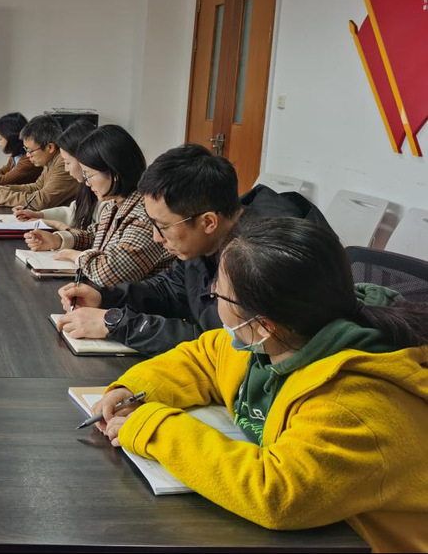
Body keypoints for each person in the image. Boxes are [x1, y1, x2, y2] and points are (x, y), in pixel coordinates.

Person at [93, 218, 428, 552]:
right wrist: (134, 389)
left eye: (219, 292)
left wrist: (154, 429)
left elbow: (277, 493)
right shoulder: (278, 336)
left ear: (264, 325)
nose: (212, 294)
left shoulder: (355, 403)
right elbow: (205, 357)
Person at [56, 143, 330, 355]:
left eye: (163, 226)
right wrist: (106, 297)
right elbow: (172, 289)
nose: (156, 237)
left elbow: (226, 345)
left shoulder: (261, 261)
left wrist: (118, 323)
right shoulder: (208, 241)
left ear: (208, 222)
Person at [24, 125, 172, 287]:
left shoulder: (146, 213)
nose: (87, 182)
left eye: (88, 174)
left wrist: (76, 256)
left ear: (114, 171)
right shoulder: (116, 205)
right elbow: (95, 237)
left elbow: (109, 274)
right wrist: (58, 240)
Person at [14, 119, 97, 233]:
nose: (66, 168)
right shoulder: (86, 186)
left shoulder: (105, 195)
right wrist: (39, 215)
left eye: (67, 163)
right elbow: (73, 211)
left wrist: (56, 224)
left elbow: (92, 237)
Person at [0, 115, 79, 209]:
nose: (27, 155)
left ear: (50, 147)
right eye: (26, 150)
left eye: (30, 151)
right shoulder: (50, 159)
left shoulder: (63, 163)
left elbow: (42, 201)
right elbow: (36, 187)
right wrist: (1, 189)